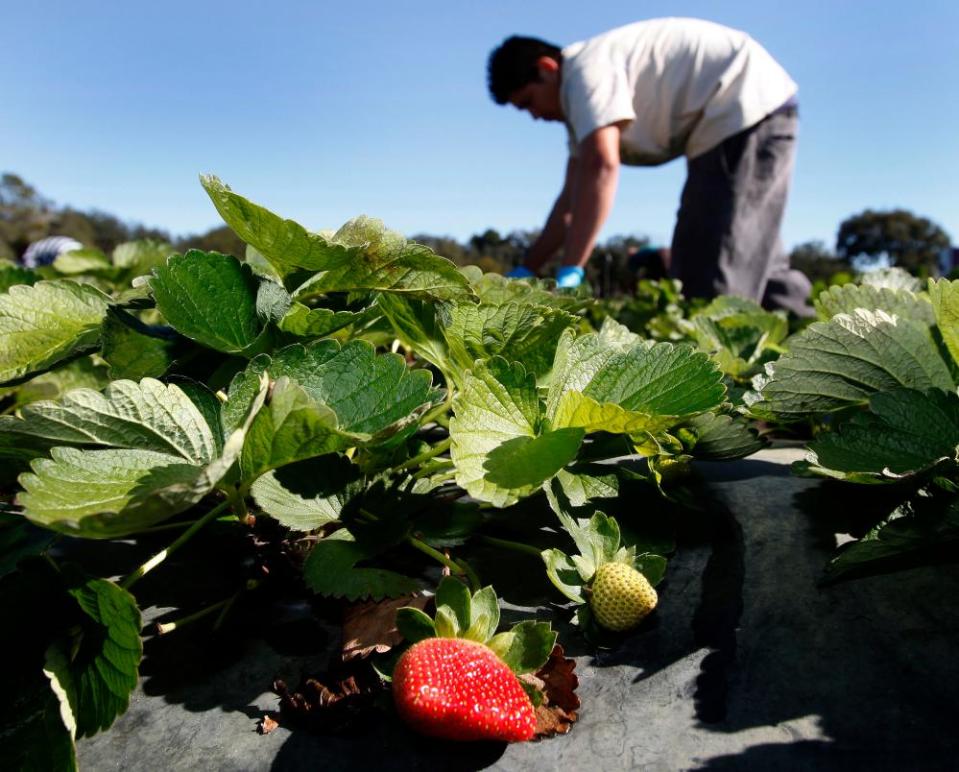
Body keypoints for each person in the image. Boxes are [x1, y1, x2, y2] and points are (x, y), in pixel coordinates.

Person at [487, 18, 812, 313]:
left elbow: (601, 166)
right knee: (748, 253)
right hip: (736, 115)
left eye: (529, 102)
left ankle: (731, 373)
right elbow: (569, 204)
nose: (533, 116)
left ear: (546, 68)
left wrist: (572, 269)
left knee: (707, 273)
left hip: (742, 101)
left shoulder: (584, 72)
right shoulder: (578, 117)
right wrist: (527, 269)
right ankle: (801, 334)